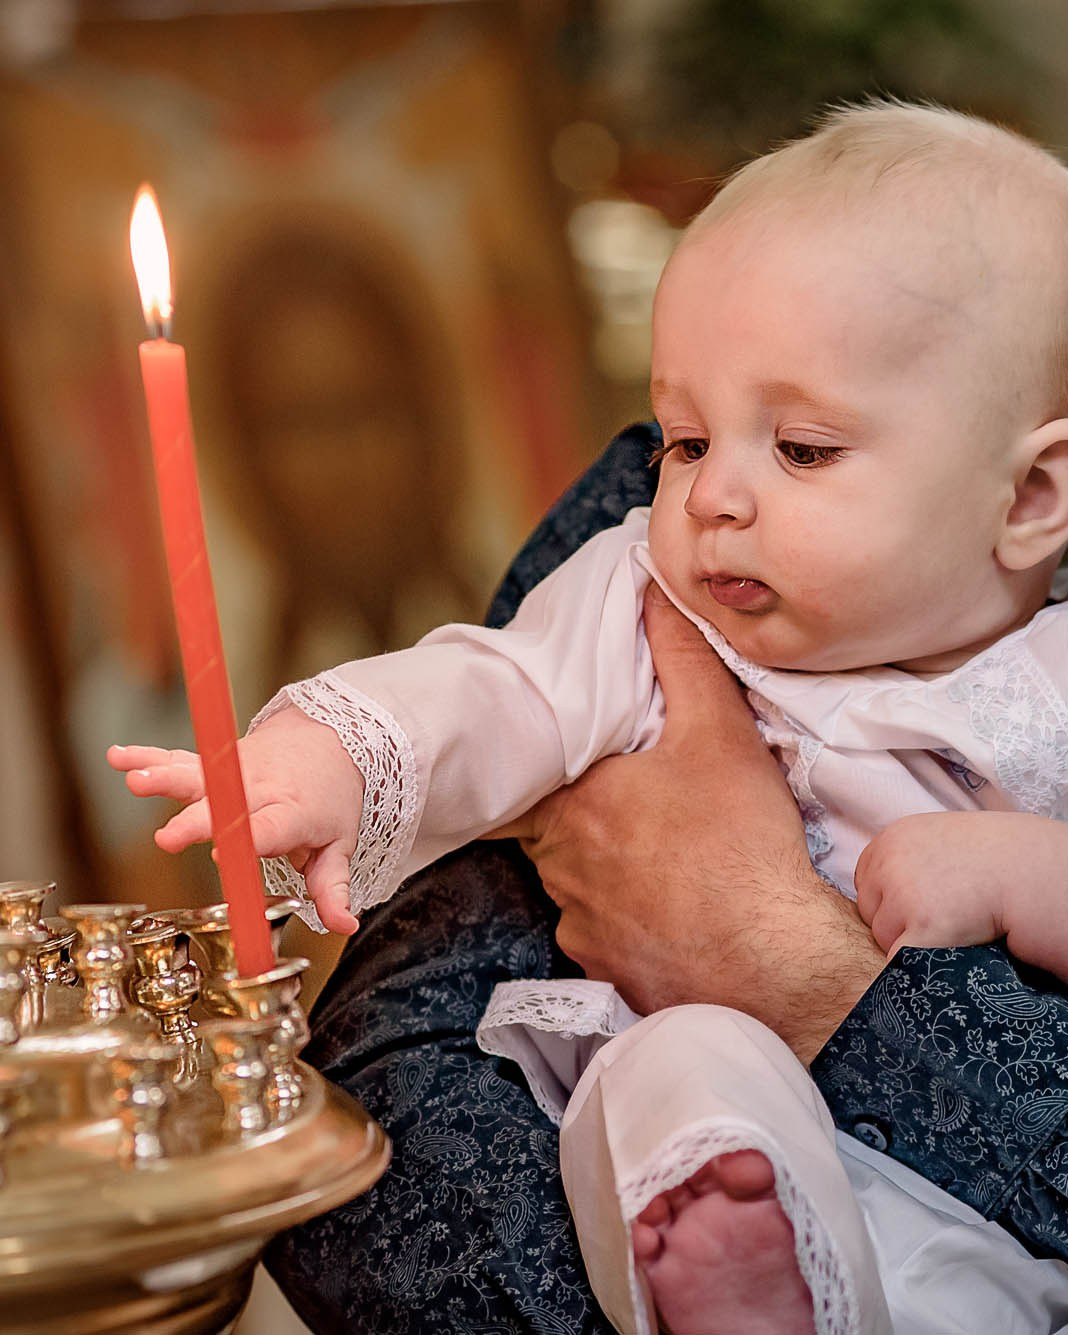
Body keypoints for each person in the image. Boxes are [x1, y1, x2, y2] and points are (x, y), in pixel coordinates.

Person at [108, 101, 1068, 1333]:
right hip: (738, 1123)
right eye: (685, 438)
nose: (717, 494)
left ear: (1032, 495)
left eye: (807, 450)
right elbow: (497, 691)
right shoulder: (647, 594)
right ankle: (738, 1280)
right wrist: (333, 756)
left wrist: (1015, 869)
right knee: (673, 1083)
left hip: (989, 1244)